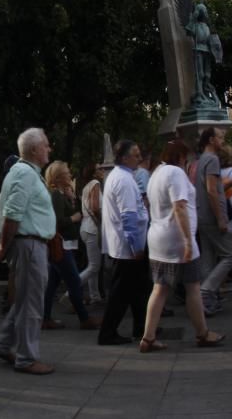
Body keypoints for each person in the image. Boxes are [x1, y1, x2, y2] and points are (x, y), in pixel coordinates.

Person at [139, 140, 224, 352]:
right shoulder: (175, 174)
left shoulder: (156, 173)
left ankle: (148, 337)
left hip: (158, 239)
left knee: (159, 289)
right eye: (187, 159)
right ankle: (202, 333)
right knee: (193, 287)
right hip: (177, 240)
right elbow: (180, 207)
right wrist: (187, 241)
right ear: (181, 157)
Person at [0, 128, 56, 375]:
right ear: (35, 149)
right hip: (29, 244)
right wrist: (5, 246)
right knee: (32, 303)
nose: (49, 149)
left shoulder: (25, 173)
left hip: (29, 243)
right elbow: (12, 214)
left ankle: (2, 343)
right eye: (46, 145)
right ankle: (27, 358)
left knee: (26, 299)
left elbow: (14, 214)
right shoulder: (25, 174)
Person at [98, 140, 151, 345]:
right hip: (128, 246)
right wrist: (136, 245)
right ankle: (108, 332)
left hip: (124, 245)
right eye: (135, 154)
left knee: (139, 288)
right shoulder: (125, 180)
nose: (139, 158)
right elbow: (129, 216)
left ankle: (143, 326)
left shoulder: (119, 177)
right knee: (121, 292)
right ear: (124, 158)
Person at [42, 161, 100, 331]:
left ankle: (45, 318)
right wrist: (74, 218)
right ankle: (84, 318)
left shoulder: (60, 194)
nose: (70, 175)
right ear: (59, 177)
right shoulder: (56, 195)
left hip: (64, 244)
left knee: (52, 283)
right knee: (74, 281)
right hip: (62, 245)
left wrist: (72, 199)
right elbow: (57, 221)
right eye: (67, 172)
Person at [194, 128, 232, 316]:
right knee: (229, 255)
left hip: (202, 216)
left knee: (207, 257)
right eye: (220, 137)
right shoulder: (212, 160)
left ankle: (208, 301)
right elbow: (212, 190)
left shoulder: (199, 161)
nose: (223, 140)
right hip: (212, 217)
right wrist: (220, 217)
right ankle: (207, 291)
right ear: (211, 139)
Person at [79, 165, 105, 305]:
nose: (103, 171)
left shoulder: (86, 186)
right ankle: (71, 290)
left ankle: (95, 296)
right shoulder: (95, 184)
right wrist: (103, 220)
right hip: (92, 229)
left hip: (86, 227)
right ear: (95, 173)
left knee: (93, 265)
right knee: (94, 266)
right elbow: (95, 207)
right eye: (100, 169)